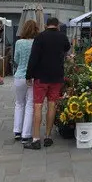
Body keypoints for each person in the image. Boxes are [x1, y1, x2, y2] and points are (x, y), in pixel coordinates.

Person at [24, 17, 71, 150]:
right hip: (57, 77)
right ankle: (48, 136)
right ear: (57, 25)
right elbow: (67, 47)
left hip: (41, 77)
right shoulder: (62, 37)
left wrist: (29, 75)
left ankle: (36, 139)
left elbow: (33, 57)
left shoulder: (40, 37)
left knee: (38, 106)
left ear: (46, 25)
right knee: (52, 106)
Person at [13, 20, 39, 144]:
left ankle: (17, 130)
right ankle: (26, 133)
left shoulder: (19, 42)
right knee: (30, 105)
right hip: (33, 77)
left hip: (19, 75)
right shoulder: (37, 42)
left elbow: (15, 58)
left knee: (19, 103)